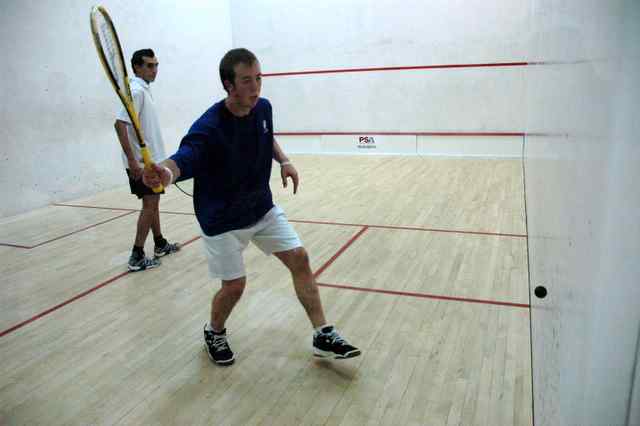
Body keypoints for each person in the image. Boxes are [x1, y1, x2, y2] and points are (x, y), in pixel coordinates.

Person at [142, 48, 361, 366]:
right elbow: (186, 157)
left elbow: (266, 135)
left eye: (259, 78)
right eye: (246, 81)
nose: (256, 87)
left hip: (260, 207)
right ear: (228, 85)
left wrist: (284, 161)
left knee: (299, 258)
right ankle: (214, 331)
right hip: (222, 218)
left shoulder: (263, 108)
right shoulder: (209, 126)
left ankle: (322, 334)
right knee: (234, 286)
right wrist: (165, 172)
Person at [114, 49, 179, 272]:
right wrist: (133, 161)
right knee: (150, 205)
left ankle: (160, 243)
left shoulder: (142, 90)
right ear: (136, 67)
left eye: (156, 65)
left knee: (152, 204)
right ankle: (137, 255)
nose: (154, 70)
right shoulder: (136, 91)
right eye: (149, 65)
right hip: (142, 165)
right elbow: (119, 124)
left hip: (151, 163)